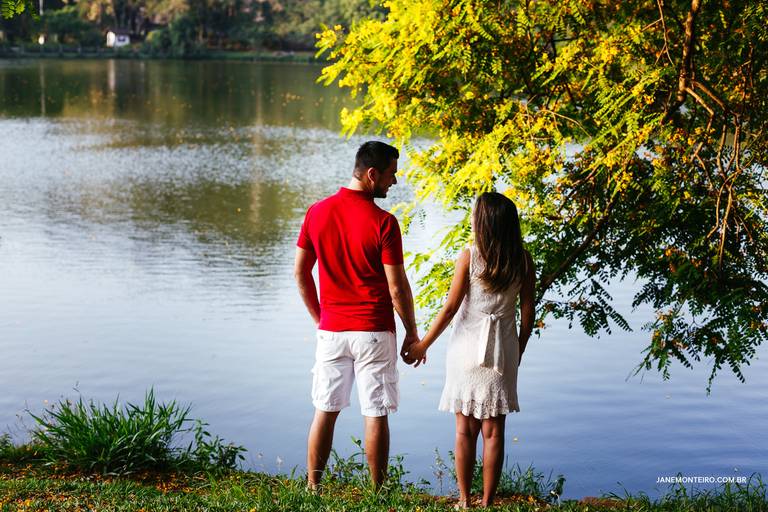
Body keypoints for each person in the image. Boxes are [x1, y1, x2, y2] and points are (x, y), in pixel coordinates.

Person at [294, 141, 419, 490]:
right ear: (372, 174)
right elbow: (397, 288)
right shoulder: (384, 223)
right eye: (391, 176)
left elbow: (301, 272)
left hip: (332, 331)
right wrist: (412, 332)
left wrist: (320, 317)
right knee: (375, 412)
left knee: (325, 409)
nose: (393, 183)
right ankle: (376, 493)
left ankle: (313, 487)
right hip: (374, 331)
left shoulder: (316, 212)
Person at [405, 192, 535, 508]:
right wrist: (517, 350)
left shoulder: (470, 257)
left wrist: (422, 345)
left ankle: (464, 500)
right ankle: (487, 502)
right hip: (502, 351)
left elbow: (450, 308)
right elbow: (528, 314)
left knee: (464, 431)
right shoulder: (524, 260)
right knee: (494, 432)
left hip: (465, 350)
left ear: (483, 223)